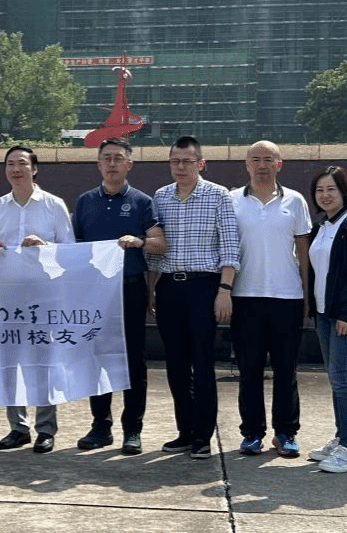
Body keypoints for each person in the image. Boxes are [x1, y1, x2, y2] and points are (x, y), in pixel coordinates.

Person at [71, 137, 166, 455]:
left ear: (129, 164)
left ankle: (132, 429)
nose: (112, 163)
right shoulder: (85, 202)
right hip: (94, 291)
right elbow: (74, 248)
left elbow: (160, 244)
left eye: (118, 158)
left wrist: (139, 241)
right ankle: (101, 427)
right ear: (98, 164)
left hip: (130, 288)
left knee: (133, 360)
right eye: (107, 158)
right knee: (96, 358)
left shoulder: (142, 202)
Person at [147, 136, 240, 460]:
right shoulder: (161, 197)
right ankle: (185, 431)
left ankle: (203, 436)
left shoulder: (218, 196)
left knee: (202, 363)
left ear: (201, 163)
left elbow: (230, 247)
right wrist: (151, 290)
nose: (181, 167)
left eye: (187, 161)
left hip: (204, 286)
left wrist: (224, 290)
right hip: (169, 287)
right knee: (175, 364)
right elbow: (155, 252)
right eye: (175, 161)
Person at [0, 146, 74, 453]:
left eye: (22, 163)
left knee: (42, 363)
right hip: (7, 294)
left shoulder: (53, 204)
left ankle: (46, 429)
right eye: (10, 164)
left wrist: (44, 245)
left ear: (34, 169)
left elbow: (69, 250)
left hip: (43, 294)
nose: (16, 169)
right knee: (9, 362)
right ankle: (18, 427)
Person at [229, 140, 311, 458]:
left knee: (285, 370)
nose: (262, 165)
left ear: (280, 164)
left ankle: (286, 433)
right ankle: (252, 433)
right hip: (245, 297)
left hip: (287, 297)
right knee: (249, 370)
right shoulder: (232, 200)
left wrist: (306, 295)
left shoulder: (296, 201)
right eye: (256, 159)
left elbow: (303, 252)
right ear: (246, 164)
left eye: (268, 159)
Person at [305, 166, 347, 473]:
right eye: (319, 190)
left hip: (345, 317)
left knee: (342, 379)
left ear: (344, 192)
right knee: (335, 378)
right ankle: (341, 438)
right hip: (324, 313)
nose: (325, 195)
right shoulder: (321, 227)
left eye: (331, 189)